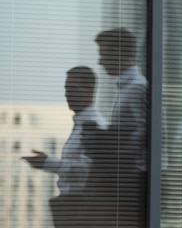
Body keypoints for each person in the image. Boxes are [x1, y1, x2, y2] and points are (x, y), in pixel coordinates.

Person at [22, 66, 107, 227]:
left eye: (72, 89)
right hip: (73, 206)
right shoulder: (82, 124)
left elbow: (89, 170)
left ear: (90, 90)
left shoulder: (95, 126)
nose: (67, 94)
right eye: (66, 89)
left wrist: (48, 163)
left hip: (81, 209)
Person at [81, 27, 148, 227]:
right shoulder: (128, 88)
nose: (99, 61)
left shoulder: (137, 88)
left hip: (133, 179)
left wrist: (114, 155)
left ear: (118, 52)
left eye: (103, 54)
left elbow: (147, 132)